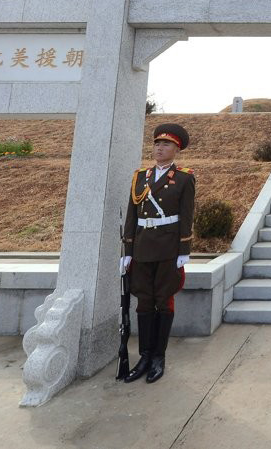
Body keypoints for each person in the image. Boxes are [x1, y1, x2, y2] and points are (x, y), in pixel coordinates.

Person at [120, 123, 195, 384]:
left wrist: (184, 250)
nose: (160, 148)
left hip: (168, 248)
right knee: (143, 301)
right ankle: (144, 356)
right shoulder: (140, 176)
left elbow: (187, 216)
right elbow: (132, 214)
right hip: (142, 247)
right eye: (157, 144)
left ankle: (158, 357)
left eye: (166, 145)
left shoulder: (184, 177)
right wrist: (128, 250)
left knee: (164, 301)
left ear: (176, 150)